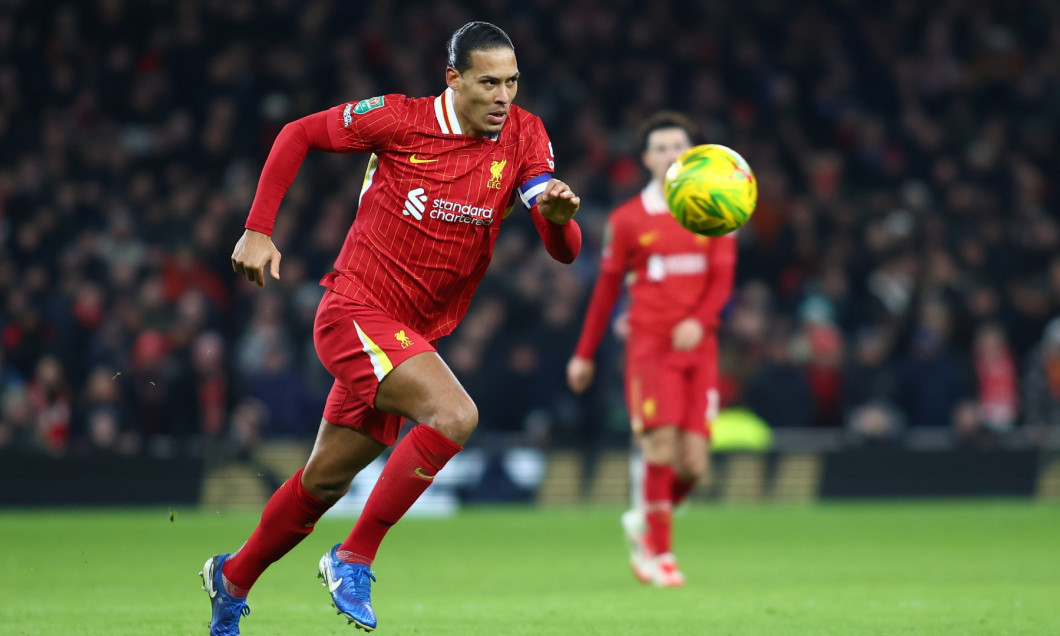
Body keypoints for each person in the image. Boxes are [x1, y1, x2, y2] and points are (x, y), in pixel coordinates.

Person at [201, 21, 582, 634]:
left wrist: (561, 220)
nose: (503, 96)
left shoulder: (525, 134)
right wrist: (258, 227)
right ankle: (353, 555)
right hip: (354, 311)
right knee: (456, 416)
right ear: (453, 78)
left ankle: (232, 577)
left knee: (321, 483)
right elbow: (298, 133)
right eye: (488, 82)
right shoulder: (401, 120)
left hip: (407, 337)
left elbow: (561, 247)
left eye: (512, 82)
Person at [566, 112, 736, 587]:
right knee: (658, 445)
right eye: (659, 147)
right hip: (649, 346)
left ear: (692, 153)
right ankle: (659, 554)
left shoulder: (714, 210)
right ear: (645, 158)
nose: (668, 154)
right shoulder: (626, 220)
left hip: (700, 349)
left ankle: (646, 516)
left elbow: (722, 282)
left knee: (695, 466)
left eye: (676, 145)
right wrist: (584, 353)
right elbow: (604, 292)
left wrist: (698, 322)